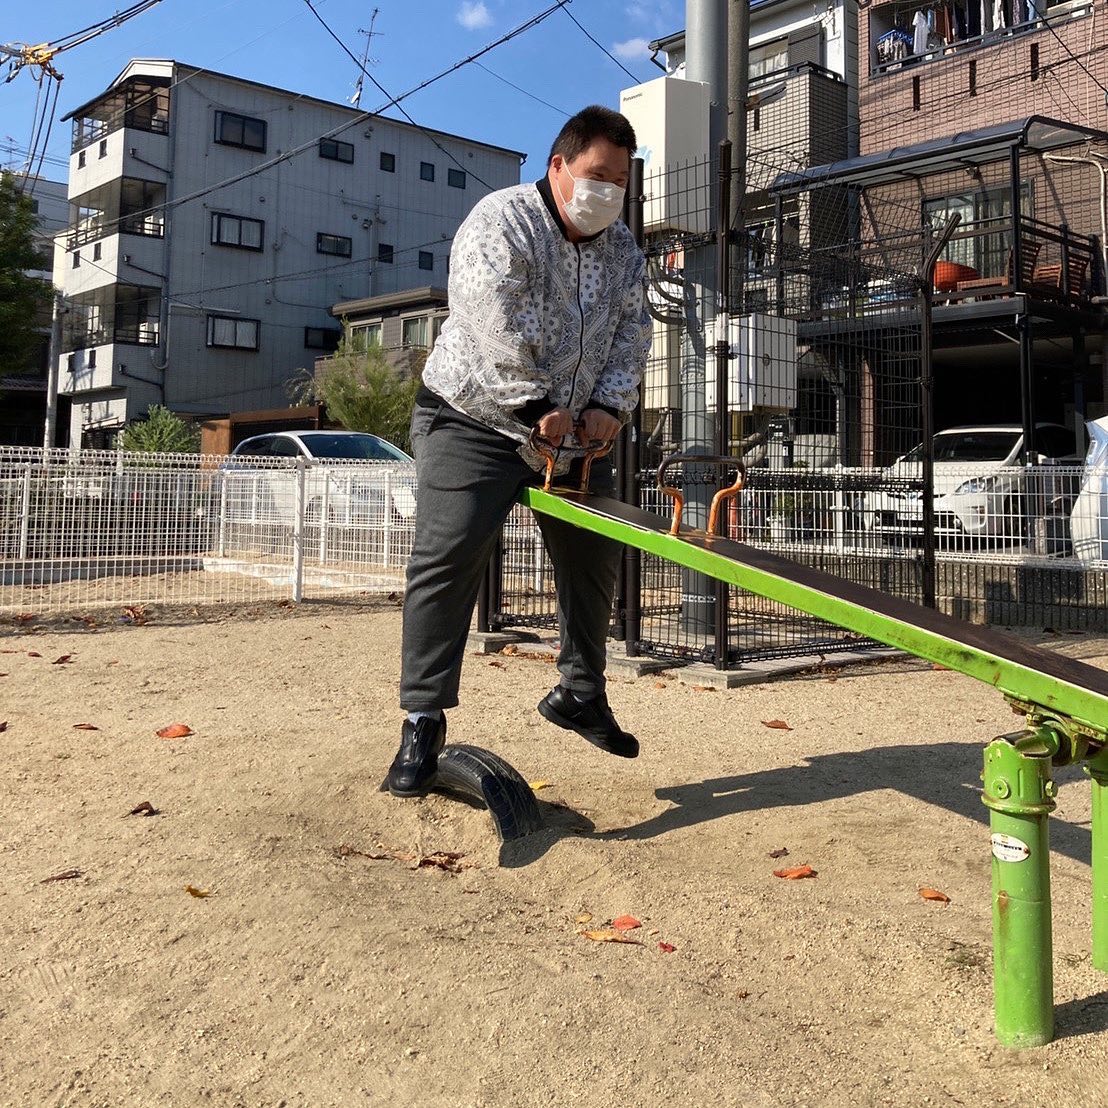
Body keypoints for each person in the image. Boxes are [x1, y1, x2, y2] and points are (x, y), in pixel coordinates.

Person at [386, 105, 652, 798]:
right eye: (597, 175)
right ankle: (422, 719)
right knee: (450, 555)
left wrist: (608, 407)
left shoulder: (623, 250)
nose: (609, 192)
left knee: (593, 554)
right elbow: (490, 314)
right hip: (473, 419)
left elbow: (633, 333)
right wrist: (536, 406)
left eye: (621, 181)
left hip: (570, 436)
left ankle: (581, 695)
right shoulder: (501, 221)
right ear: (558, 166)